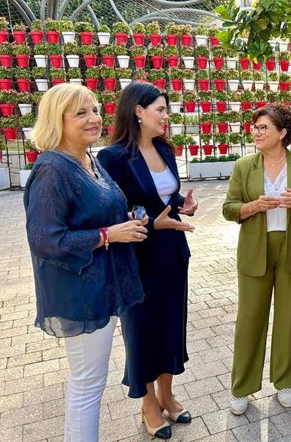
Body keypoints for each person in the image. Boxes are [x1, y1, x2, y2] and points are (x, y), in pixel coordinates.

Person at [24, 83, 147, 442]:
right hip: (79, 292)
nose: (95, 118)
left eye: (95, 109)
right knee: (87, 384)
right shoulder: (52, 167)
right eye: (81, 113)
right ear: (56, 119)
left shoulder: (88, 160)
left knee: (91, 382)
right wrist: (110, 235)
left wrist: (128, 219)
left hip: (98, 286)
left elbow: (99, 212)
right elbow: (45, 239)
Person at [98, 83, 197, 440]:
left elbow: (165, 199)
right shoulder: (111, 158)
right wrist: (151, 221)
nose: (166, 116)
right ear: (138, 111)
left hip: (172, 251)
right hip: (137, 257)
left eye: (167, 110)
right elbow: (113, 209)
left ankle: (168, 393)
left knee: (172, 324)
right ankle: (148, 402)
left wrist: (184, 207)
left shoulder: (165, 151)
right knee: (143, 330)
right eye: (161, 109)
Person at [223, 104, 291, 415]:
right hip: (256, 248)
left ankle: (286, 382)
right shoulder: (244, 166)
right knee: (250, 320)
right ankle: (242, 388)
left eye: (264, 127)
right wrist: (254, 206)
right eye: (254, 127)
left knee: (290, 318)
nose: (256, 132)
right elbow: (229, 208)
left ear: (282, 133)